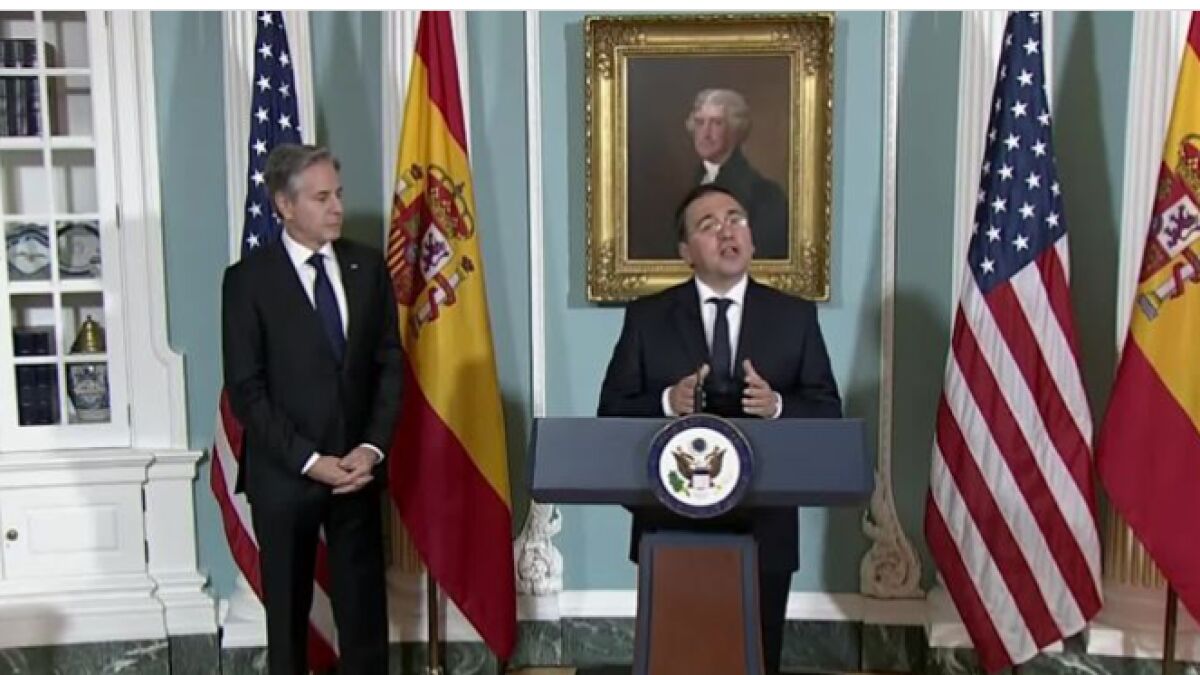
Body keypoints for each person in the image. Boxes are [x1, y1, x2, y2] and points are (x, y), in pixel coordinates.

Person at [598, 184, 841, 675]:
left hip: (766, 529)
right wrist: (668, 402)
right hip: (671, 526)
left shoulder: (793, 317)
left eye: (736, 219)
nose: (727, 231)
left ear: (751, 239)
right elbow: (611, 415)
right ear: (686, 252)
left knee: (757, 659)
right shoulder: (647, 318)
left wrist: (776, 406)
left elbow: (827, 414)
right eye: (708, 225)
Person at [222, 144, 402, 675]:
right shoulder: (248, 281)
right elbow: (246, 389)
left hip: (356, 472)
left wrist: (371, 449)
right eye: (322, 198)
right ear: (284, 205)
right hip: (286, 475)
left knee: (364, 618)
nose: (337, 208)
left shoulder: (367, 268)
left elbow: (389, 365)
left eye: (338, 194)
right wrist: (309, 460)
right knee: (288, 624)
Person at [686, 88, 789, 259]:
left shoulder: (765, 195)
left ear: (735, 130)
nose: (705, 133)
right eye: (699, 122)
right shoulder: (684, 186)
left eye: (717, 123)